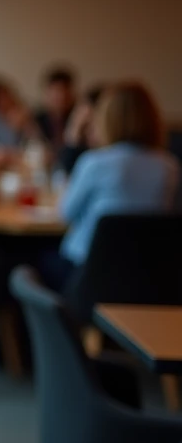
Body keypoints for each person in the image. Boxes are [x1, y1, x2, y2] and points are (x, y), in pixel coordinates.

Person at [36, 81, 180, 291]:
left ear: (106, 120)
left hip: (89, 275)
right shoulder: (170, 167)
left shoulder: (95, 162)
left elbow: (64, 213)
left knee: (33, 263)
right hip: (150, 278)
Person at [57, 83, 105, 176]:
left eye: (91, 126)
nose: (89, 134)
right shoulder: (87, 152)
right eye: (85, 127)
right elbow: (64, 171)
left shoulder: (104, 159)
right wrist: (74, 131)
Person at [34, 65, 77, 157]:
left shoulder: (77, 118)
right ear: (47, 93)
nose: (62, 97)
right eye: (57, 91)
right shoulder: (37, 120)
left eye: (65, 90)